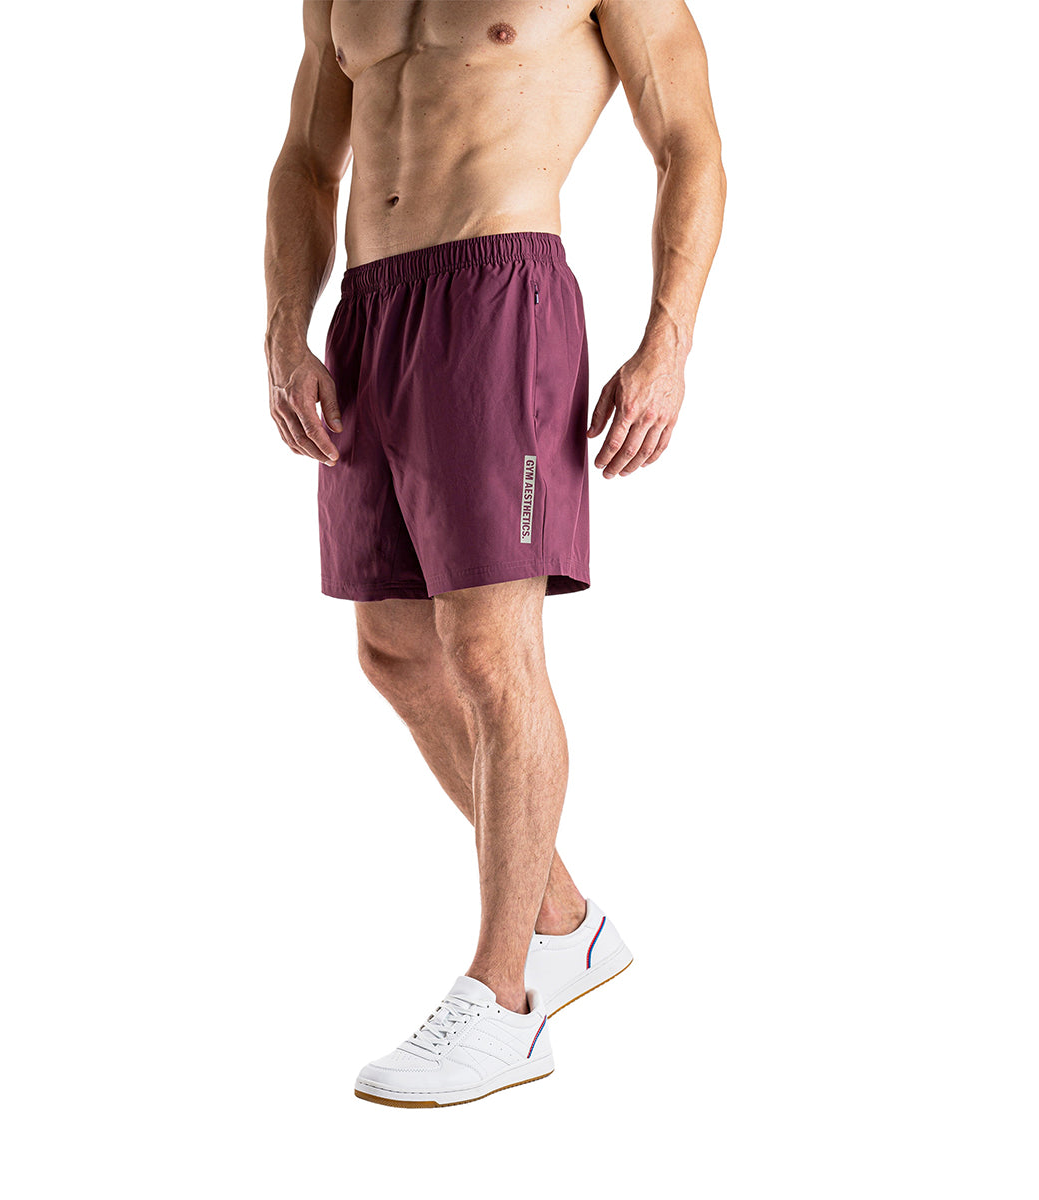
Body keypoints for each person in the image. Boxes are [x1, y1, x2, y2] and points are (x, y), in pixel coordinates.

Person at [263, 0, 724, 1108]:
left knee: (488, 650)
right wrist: (284, 326)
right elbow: (308, 160)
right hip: (369, 313)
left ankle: (505, 1001)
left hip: (496, 294)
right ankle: (562, 920)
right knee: (393, 651)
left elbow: (689, 142)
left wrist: (668, 341)